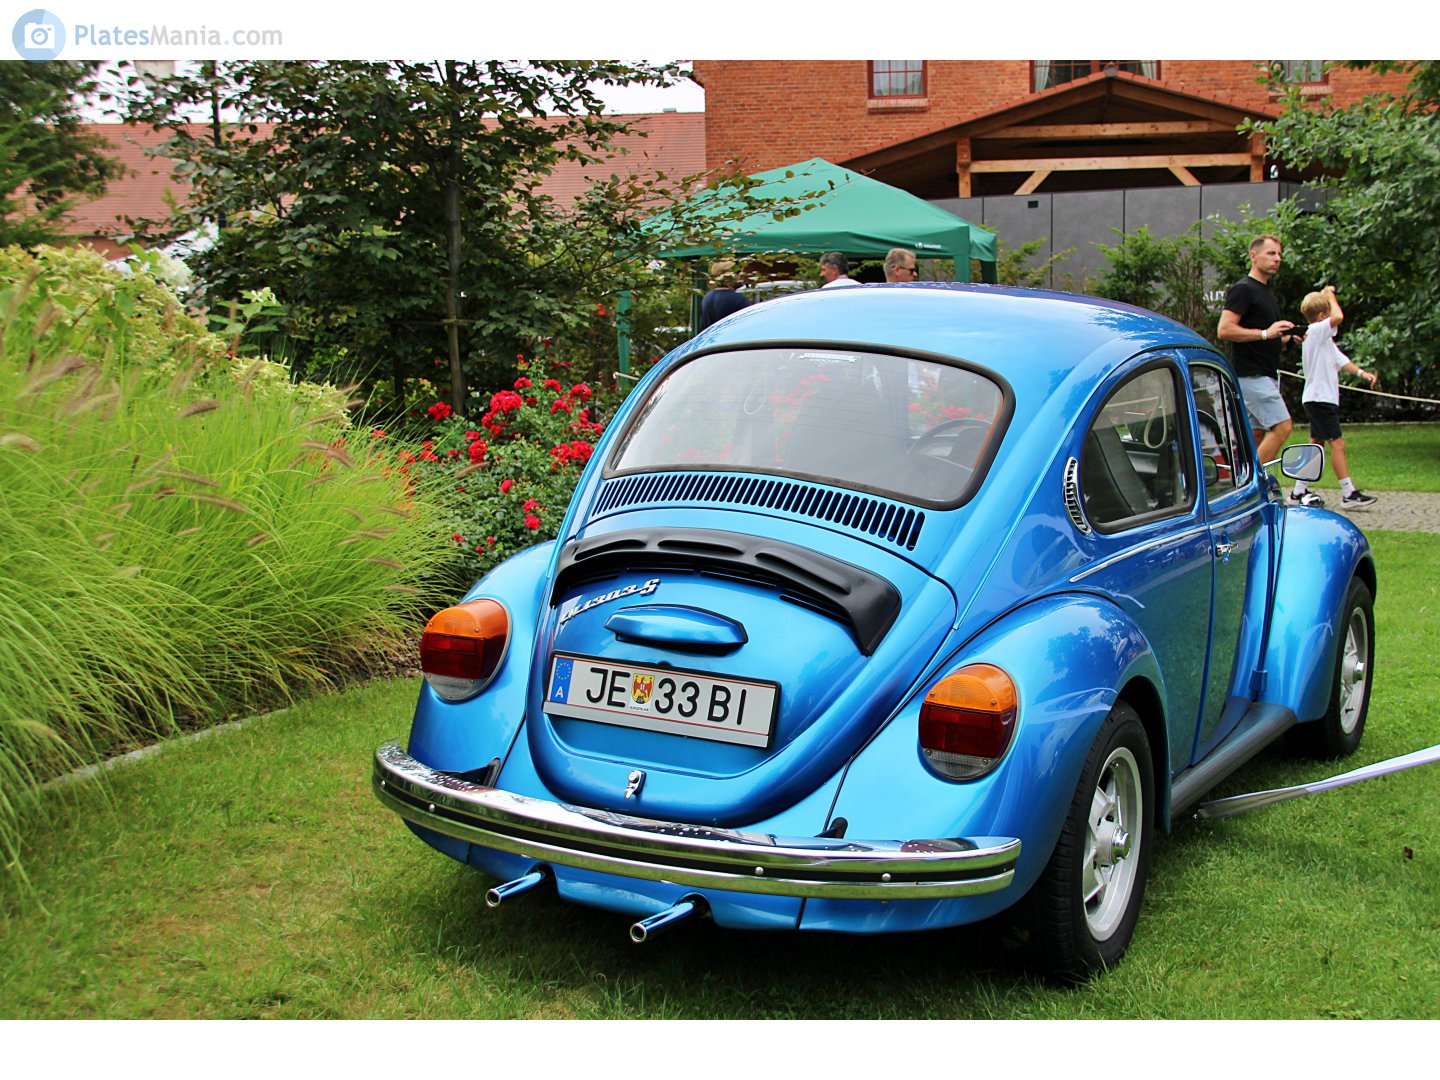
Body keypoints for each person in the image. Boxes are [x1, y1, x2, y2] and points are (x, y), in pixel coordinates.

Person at [1290, 285, 1380, 509]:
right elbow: (1338, 316)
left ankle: (1298, 490)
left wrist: (1362, 373)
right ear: (1322, 316)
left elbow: (1340, 360)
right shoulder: (1317, 330)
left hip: (1318, 398)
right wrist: (1330, 294)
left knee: (1315, 445)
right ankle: (1349, 493)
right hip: (1320, 399)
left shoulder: (1321, 339)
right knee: (1338, 444)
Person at [1216, 235, 1301, 466]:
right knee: (1282, 427)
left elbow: (1267, 338)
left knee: (1256, 434)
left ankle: (1243, 481)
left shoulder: (1266, 293)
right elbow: (1224, 330)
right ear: (1254, 256)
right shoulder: (1243, 289)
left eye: (1279, 254)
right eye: (1271, 253)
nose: (1277, 259)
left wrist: (1288, 339)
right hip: (1250, 376)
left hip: (1264, 374)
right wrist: (1266, 333)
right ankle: (1256, 483)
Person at [698, 259, 749, 330]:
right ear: (727, 277)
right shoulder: (738, 299)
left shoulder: (707, 297)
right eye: (737, 272)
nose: (740, 276)